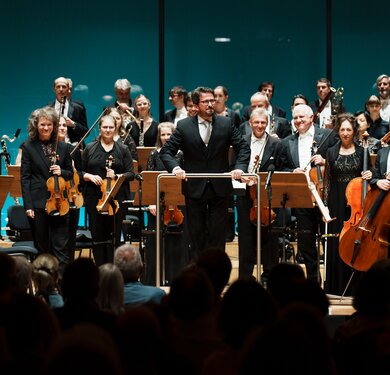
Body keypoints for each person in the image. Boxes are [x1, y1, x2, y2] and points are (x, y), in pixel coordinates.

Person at [160, 86, 250, 260]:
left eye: (212, 101)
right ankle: (198, 278)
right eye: (205, 101)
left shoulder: (226, 122)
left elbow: (243, 147)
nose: (210, 104)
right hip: (194, 188)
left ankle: (217, 278)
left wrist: (239, 168)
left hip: (220, 188)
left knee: (218, 238)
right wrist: (176, 168)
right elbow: (166, 152)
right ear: (195, 104)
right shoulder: (184, 126)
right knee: (196, 237)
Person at [277, 104, 338, 282]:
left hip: (325, 195)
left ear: (312, 117)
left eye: (302, 117)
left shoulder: (327, 136)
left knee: (330, 239)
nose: (298, 121)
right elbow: (282, 167)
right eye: (295, 118)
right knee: (305, 241)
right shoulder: (286, 142)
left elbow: (342, 159)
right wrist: (292, 172)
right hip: (302, 197)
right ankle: (313, 280)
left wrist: (325, 160)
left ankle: (332, 281)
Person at [323, 113, 372, 296]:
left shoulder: (362, 152)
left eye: (348, 129)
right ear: (338, 131)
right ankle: (335, 288)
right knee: (336, 242)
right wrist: (325, 206)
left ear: (354, 131)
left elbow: (370, 180)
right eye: (342, 129)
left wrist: (369, 175)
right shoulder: (331, 152)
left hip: (356, 204)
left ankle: (355, 289)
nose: (345, 133)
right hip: (336, 202)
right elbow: (327, 181)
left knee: (353, 243)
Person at [21, 106, 73, 276]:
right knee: (42, 247)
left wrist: (62, 172)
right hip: (38, 203)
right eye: (42, 124)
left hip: (59, 202)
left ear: (54, 126)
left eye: (49, 124)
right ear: (36, 125)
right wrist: (27, 205)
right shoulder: (28, 147)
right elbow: (25, 177)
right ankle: (44, 285)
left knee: (61, 247)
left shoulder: (63, 147)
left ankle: (61, 284)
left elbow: (71, 174)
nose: (45, 128)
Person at [82, 114, 135, 266]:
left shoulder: (123, 149)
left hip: (116, 199)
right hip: (95, 198)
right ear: (99, 129)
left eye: (111, 127)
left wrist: (117, 175)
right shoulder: (90, 148)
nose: (108, 130)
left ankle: (113, 272)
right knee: (97, 238)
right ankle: (100, 271)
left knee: (114, 237)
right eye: (105, 127)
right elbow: (79, 172)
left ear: (116, 128)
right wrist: (89, 176)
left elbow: (131, 173)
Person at [237, 108, 280, 283]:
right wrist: (241, 176)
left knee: (269, 237)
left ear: (267, 123)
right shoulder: (242, 141)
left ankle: (269, 277)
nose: (260, 126)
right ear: (250, 123)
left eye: (263, 123)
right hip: (246, 194)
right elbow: (234, 165)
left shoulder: (276, 143)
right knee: (246, 237)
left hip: (268, 195)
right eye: (257, 122)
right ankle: (245, 278)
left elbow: (281, 166)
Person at [144, 122, 190, 285]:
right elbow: (149, 180)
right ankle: (154, 280)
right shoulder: (153, 154)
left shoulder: (181, 154)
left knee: (178, 241)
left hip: (178, 203)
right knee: (155, 242)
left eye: (168, 134)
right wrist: (151, 203)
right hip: (157, 204)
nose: (165, 138)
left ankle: (176, 279)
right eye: (162, 135)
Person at [48, 76, 88, 144]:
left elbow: (86, 132)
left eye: (64, 87)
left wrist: (74, 124)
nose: (61, 89)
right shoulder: (48, 109)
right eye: (58, 87)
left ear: (68, 89)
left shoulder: (78, 108)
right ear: (54, 89)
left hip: (73, 148)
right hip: (52, 147)